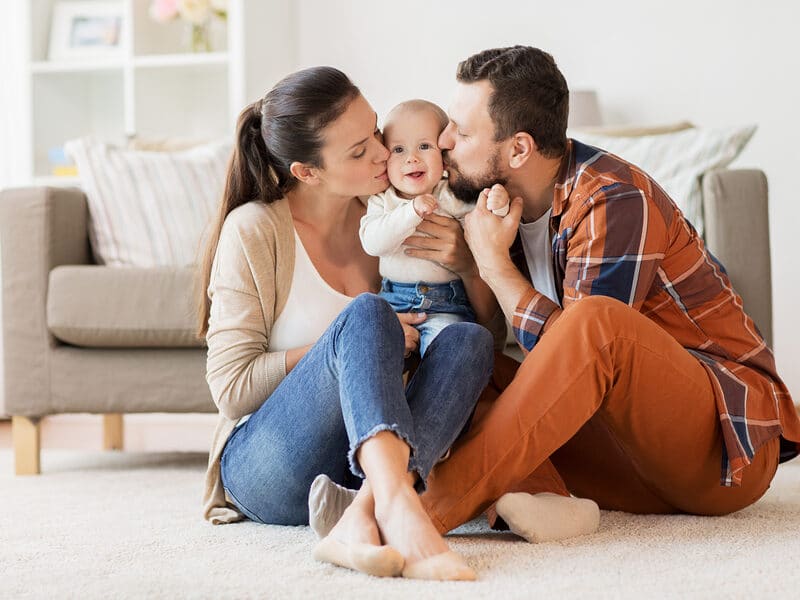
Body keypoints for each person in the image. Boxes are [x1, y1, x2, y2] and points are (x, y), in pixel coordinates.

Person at [407, 45, 800, 536]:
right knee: (461, 357)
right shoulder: (494, 209)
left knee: (598, 322)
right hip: (625, 463)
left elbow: (585, 354)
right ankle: (545, 499)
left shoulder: (613, 196)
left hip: (722, 452)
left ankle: (414, 515)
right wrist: (473, 264)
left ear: (519, 149)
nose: (442, 141)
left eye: (461, 132)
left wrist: (493, 265)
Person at [195, 66, 501, 581]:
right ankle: (400, 507)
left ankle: (364, 512)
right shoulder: (254, 230)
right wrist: (343, 346)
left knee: (468, 340)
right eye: (359, 152)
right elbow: (231, 388)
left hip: (357, 471)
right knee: (367, 314)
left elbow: (490, 338)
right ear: (307, 172)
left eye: (376, 132)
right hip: (270, 469)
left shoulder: (396, 216)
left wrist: (469, 267)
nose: (385, 154)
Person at [359, 99, 510, 356]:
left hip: (446, 305)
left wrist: (498, 205)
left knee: (449, 348)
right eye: (398, 149)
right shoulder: (382, 201)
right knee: (375, 350)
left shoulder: (450, 195)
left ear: (444, 157)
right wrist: (410, 211)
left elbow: (486, 224)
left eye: (425, 146)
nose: (412, 158)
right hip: (393, 302)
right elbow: (373, 244)